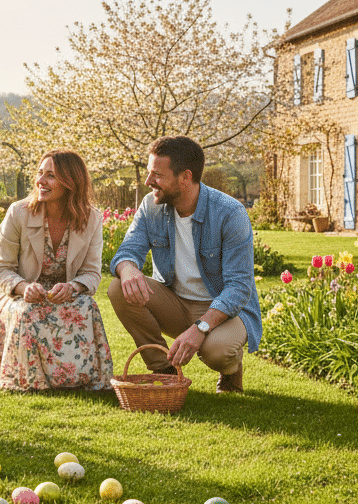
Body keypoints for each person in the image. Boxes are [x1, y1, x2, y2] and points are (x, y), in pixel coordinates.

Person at [105, 135, 261, 393]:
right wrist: (128, 267)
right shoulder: (151, 207)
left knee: (218, 352)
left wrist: (200, 329)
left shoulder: (229, 213)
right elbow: (128, 251)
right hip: (175, 302)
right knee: (117, 287)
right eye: (148, 172)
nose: (148, 182)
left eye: (157, 174)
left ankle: (231, 371)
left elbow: (239, 288)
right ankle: (164, 370)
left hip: (222, 310)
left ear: (185, 177)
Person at [0, 149, 114, 391]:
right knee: (28, 311)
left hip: (62, 294)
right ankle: (28, 380)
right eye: (40, 173)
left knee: (87, 306)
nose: (40, 181)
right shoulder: (18, 213)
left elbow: (92, 273)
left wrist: (73, 286)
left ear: (71, 182)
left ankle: (81, 378)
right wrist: (23, 288)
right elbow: (2, 268)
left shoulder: (92, 219)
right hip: (17, 293)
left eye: (51, 176)